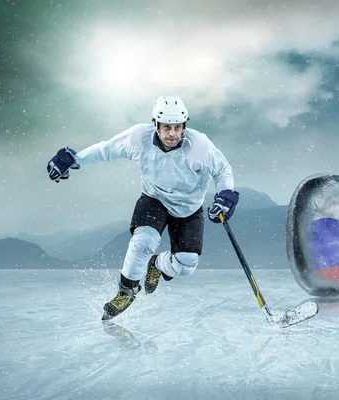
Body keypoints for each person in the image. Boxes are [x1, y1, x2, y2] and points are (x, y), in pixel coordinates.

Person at [46, 96, 240, 320]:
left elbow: (222, 170)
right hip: (154, 199)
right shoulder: (139, 138)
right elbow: (106, 150)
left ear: (185, 126)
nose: (172, 134)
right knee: (143, 241)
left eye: (177, 127)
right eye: (166, 127)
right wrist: (75, 160)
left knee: (187, 265)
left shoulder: (199, 146)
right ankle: (126, 291)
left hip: (189, 209)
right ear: (156, 125)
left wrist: (225, 195)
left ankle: (156, 264)